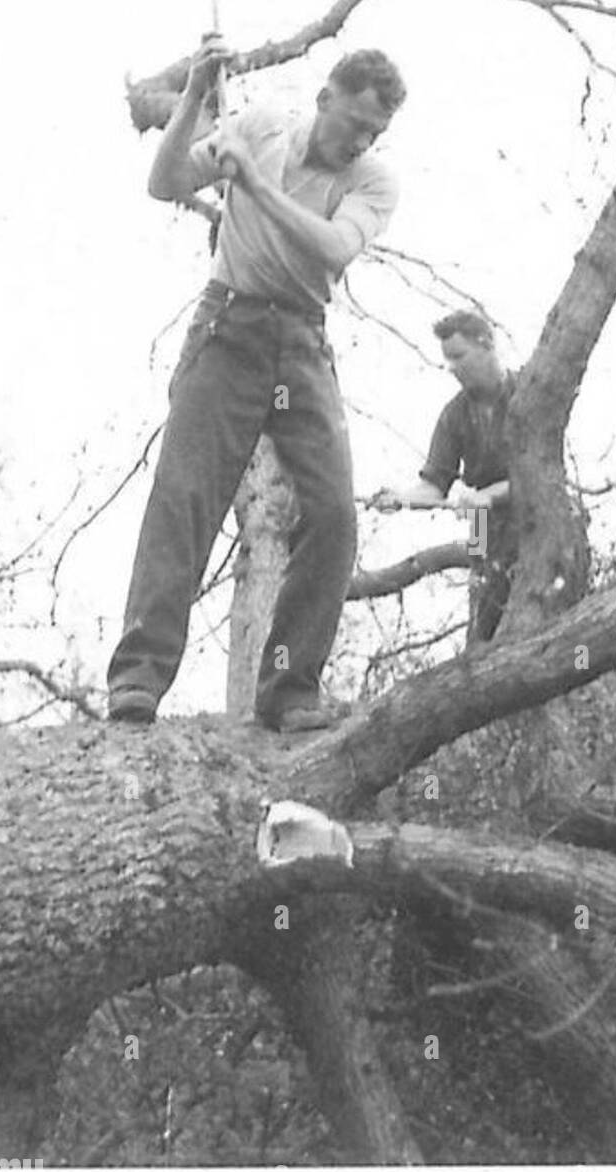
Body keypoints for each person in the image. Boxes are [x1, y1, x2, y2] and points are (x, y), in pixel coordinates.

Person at [107, 37, 406, 730]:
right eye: (353, 122)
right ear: (324, 98)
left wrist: (255, 185)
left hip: (300, 343)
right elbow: (167, 181)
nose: (361, 140)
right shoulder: (261, 127)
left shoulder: (372, 182)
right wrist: (189, 101)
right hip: (228, 329)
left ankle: (288, 689)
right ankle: (138, 682)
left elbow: (330, 248)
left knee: (332, 514)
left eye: (375, 132)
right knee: (183, 498)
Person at [372, 310, 517, 643]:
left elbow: (538, 471)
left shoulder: (525, 392)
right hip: (482, 523)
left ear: (486, 346)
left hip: (531, 514)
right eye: (447, 361)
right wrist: (402, 498)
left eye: (458, 357)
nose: (452, 368)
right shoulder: (454, 415)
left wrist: (489, 496)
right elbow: (434, 487)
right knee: (482, 620)